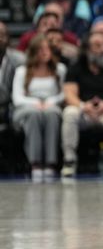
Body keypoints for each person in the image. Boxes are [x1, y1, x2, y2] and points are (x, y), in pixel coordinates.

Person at [61, 30, 103, 178]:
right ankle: (69, 160)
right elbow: (69, 94)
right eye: (98, 46)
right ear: (87, 49)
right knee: (69, 112)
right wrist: (83, 106)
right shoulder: (75, 68)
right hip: (85, 113)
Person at [12, 35, 66, 180]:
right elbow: (17, 99)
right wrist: (34, 103)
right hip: (26, 108)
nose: (44, 52)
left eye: (47, 49)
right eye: (41, 49)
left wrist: (50, 101)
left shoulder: (60, 70)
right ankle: (35, 163)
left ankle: (50, 162)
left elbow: (63, 94)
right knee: (35, 114)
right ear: (33, 51)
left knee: (51, 114)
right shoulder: (21, 71)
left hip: (51, 106)